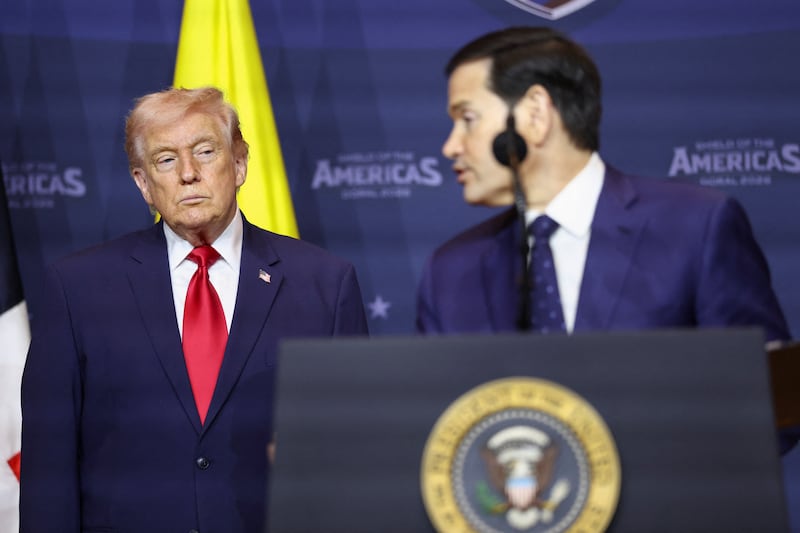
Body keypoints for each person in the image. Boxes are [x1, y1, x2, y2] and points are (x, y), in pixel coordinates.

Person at [19, 86, 369, 532]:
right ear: (143, 183)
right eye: (166, 160)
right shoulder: (78, 289)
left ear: (239, 163)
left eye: (205, 152)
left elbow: (355, 460)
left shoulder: (325, 284)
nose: (188, 173)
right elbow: (49, 468)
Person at [416, 26, 789, 344]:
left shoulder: (695, 229)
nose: (451, 146)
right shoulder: (450, 272)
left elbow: (764, 390)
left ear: (535, 114)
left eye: (468, 119)